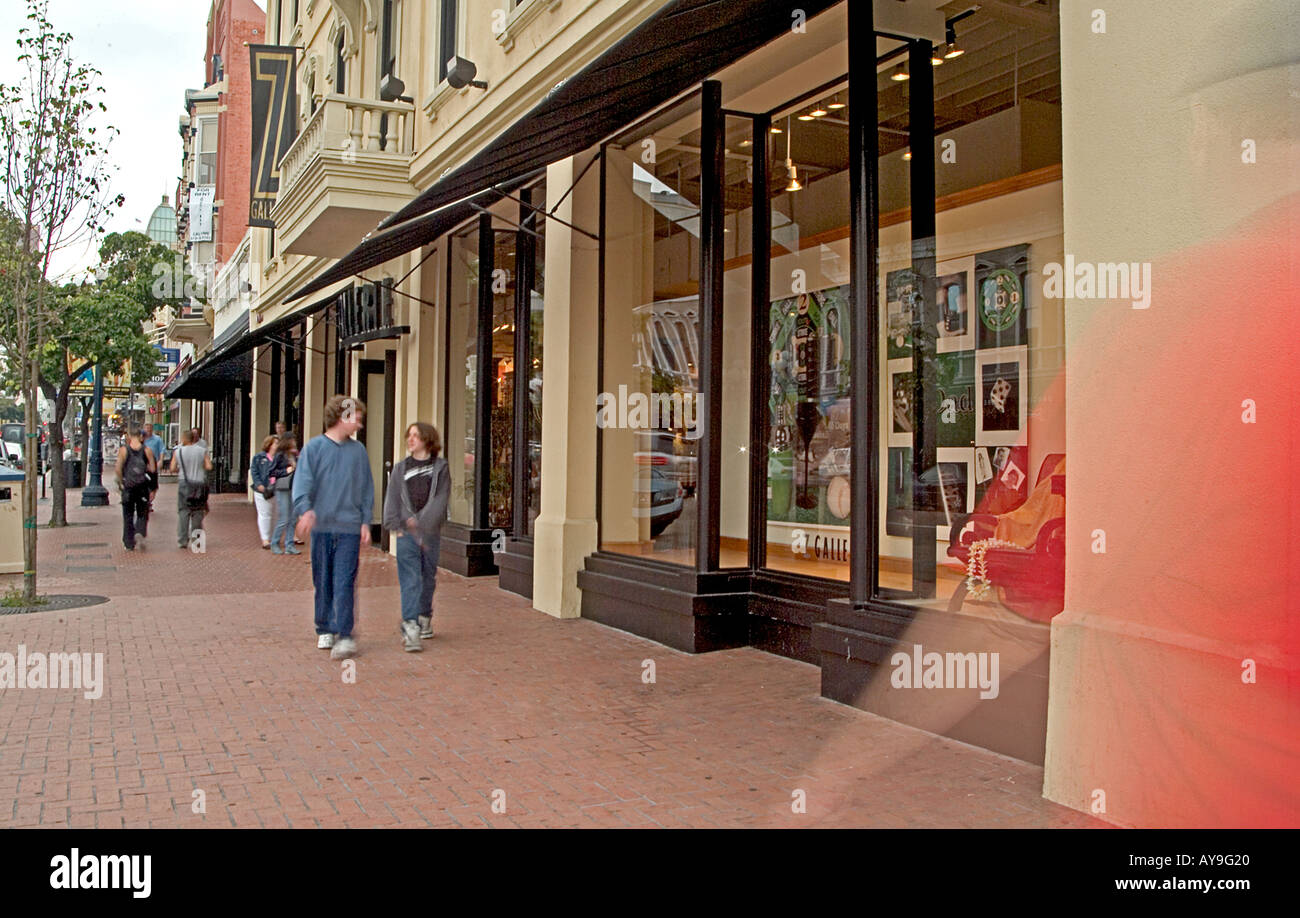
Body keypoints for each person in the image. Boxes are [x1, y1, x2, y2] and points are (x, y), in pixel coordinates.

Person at [293, 395, 373, 661]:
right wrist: (305, 510)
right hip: (322, 528)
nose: (360, 424)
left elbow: (366, 489)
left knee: (345, 580)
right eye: (357, 418)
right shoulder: (314, 449)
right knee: (323, 579)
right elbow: (302, 483)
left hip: (349, 527)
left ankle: (345, 634)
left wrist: (365, 521)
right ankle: (324, 626)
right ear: (342, 417)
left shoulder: (359, 452)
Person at [383, 423, 450, 652]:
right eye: (409, 435)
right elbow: (392, 498)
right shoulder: (401, 468)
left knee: (427, 576)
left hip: (430, 534)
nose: (410, 439)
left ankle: (424, 615)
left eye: (416, 436)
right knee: (410, 579)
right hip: (406, 534)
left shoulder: (440, 468)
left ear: (427, 440)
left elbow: (441, 499)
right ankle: (410, 625)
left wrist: (421, 522)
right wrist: (396, 524)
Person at [114, 425, 156, 551]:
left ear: (129, 436)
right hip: (142, 486)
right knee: (143, 512)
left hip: (128, 486)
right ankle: (140, 531)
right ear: (140, 436)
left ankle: (128, 542)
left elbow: (118, 468)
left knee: (128, 514)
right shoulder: (147, 450)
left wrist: (121, 481)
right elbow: (153, 469)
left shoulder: (124, 450)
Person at [171, 429, 213, 549]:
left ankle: (182, 540)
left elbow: (172, 468)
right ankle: (197, 540)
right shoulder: (202, 450)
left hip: (184, 483)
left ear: (184, 438)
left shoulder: (178, 452)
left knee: (183, 512)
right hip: (199, 484)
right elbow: (209, 466)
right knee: (198, 512)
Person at [269, 435, 300, 555]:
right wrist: (284, 471)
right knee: (284, 517)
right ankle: (275, 543)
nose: (294, 442)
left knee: (293, 518)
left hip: (293, 487)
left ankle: (289, 544)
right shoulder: (280, 455)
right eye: (292, 440)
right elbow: (271, 471)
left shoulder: (294, 455)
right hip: (283, 488)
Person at [250, 435, 277, 549]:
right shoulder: (259, 458)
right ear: (269, 445)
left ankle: (273, 537)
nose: (278, 445)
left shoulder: (281, 458)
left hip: (277, 490)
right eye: (276, 443)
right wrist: (259, 484)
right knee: (265, 514)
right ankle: (265, 539)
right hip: (263, 490)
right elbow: (254, 471)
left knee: (276, 515)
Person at [142, 423, 165, 511]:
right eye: (146, 429)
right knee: (143, 483)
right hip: (142, 464)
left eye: (150, 429)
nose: (148, 431)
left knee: (154, 485)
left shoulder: (157, 439)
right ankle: (146, 502)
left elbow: (162, 450)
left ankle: (150, 499)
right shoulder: (141, 439)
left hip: (153, 464)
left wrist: (161, 460)